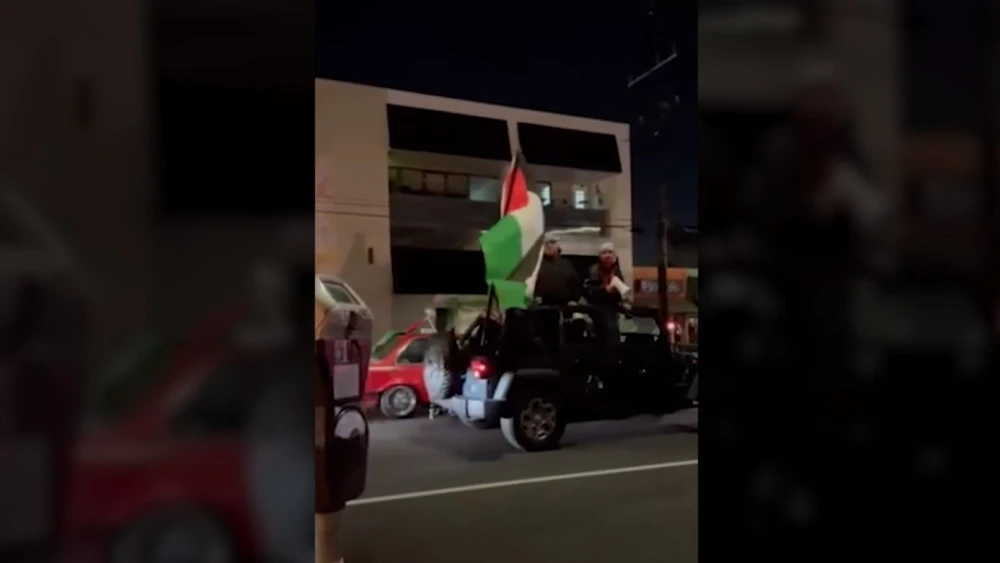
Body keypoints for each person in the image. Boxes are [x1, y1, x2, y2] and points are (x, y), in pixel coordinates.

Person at [534, 233, 582, 306]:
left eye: (552, 242)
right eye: (546, 243)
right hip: (540, 305)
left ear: (558, 246)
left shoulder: (568, 264)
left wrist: (574, 300)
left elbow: (576, 285)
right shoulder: (536, 265)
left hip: (565, 305)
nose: (549, 245)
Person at [584, 242, 630, 308]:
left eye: (610, 252)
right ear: (600, 256)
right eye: (604, 253)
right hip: (597, 305)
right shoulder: (594, 270)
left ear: (614, 256)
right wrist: (605, 289)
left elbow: (620, 292)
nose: (607, 256)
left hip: (613, 304)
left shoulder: (616, 270)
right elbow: (590, 292)